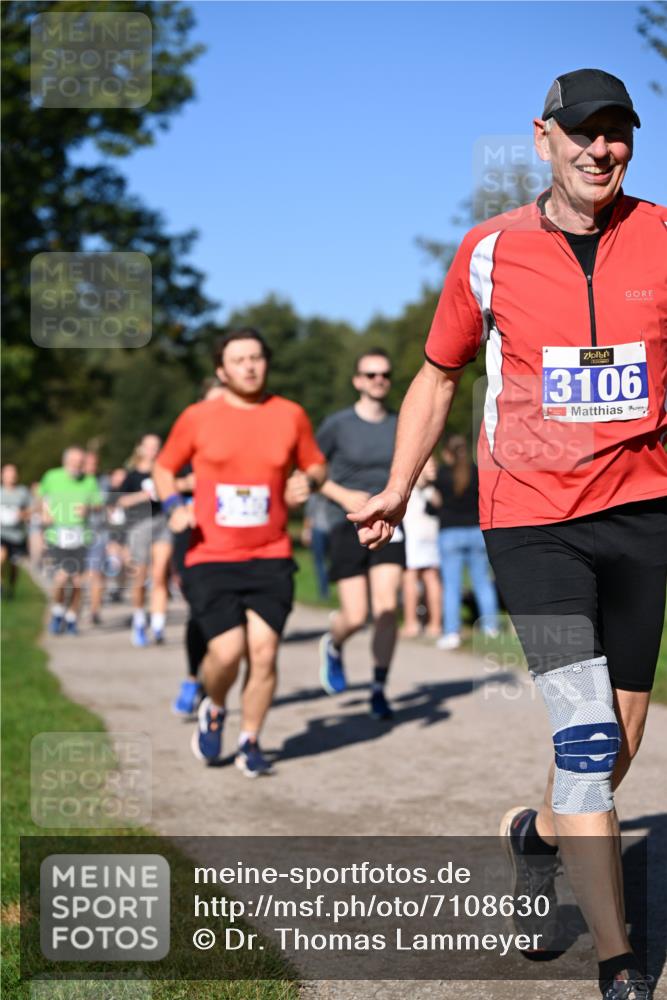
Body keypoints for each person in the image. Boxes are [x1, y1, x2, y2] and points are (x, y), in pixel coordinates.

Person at [350, 68, 665, 1000]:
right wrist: (398, 485)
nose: (599, 149)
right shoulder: (487, 251)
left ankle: (536, 835)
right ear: (542, 137)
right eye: (582, 131)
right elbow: (438, 375)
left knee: (619, 735)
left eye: (616, 132)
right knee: (584, 735)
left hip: (641, 513)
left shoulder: (661, 237)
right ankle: (617, 963)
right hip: (531, 518)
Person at [154, 327, 326, 776]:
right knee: (228, 652)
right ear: (222, 370)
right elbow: (164, 467)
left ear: (266, 363)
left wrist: (307, 481)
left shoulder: (290, 414)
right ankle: (214, 706)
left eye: (256, 358)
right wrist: (173, 506)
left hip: (270, 553)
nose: (249, 367)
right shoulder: (198, 417)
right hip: (211, 555)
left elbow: (315, 463)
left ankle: (250, 739)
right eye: (238, 360)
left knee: (264, 652)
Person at [316, 347, 405, 720]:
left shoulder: (401, 423)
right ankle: (333, 643)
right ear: (357, 381)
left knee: (387, 607)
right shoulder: (337, 425)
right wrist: (343, 495)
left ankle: (378, 688)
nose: (379, 380)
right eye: (371, 374)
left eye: (384, 374)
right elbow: (311, 472)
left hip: (388, 522)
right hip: (346, 521)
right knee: (355, 616)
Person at [427, 436, 498, 649]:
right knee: (482, 583)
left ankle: (452, 633)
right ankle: (491, 628)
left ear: (448, 453)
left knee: (451, 586)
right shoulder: (477, 472)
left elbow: (432, 507)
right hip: (476, 532)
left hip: (449, 533)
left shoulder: (441, 475)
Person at [39, 446, 103, 635]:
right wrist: (45, 512)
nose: (77, 465)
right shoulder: (52, 476)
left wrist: (88, 508)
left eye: (80, 462)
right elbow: (41, 496)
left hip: (81, 536)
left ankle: (72, 618)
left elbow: (98, 505)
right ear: (65, 461)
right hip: (57, 535)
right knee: (61, 577)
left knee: (77, 581)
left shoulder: (89, 480)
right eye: (73, 461)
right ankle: (58, 611)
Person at [119, 434, 174, 647]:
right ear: (140, 448)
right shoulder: (132, 475)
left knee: (160, 575)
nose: (153, 450)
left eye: (156, 446)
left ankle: (158, 625)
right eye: (149, 446)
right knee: (140, 578)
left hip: (162, 524)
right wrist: (143, 496)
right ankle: (140, 620)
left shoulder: (165, 472)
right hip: (139, 526)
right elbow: (120, 501)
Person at [399, 455, 441, 639]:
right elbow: (438, 502)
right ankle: (435, 624)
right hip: (430, 532)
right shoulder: (432, 488)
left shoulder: (412, 483)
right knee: (431, 578)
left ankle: (411, 623)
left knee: (410, 577)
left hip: (414, 533)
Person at [0, 464, 31, 598]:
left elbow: (33, 509)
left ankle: (11, 588)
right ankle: (1, 585)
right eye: (8, 473)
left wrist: (23, 514)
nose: (11, 476)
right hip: (2, 533)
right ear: (2, 475)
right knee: (1, 558)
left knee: (13, 566)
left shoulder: (23, 492)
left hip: (17, 535)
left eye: (13, 473)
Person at [301, 492, 331, 601]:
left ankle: (325, 592)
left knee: (321, 562)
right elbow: (309, 514)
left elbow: (308, 514)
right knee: (321, 562)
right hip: (322, 529)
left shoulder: (316, 494)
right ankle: (324, 592)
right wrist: (306, 531)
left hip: (325, 529)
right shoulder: (315, 494)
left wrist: (306, 531)